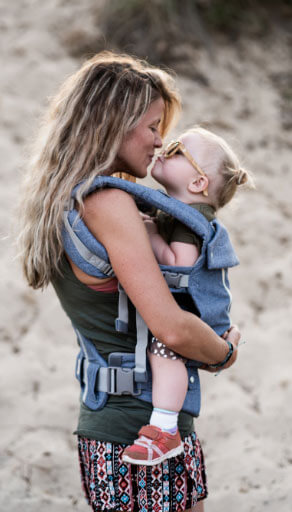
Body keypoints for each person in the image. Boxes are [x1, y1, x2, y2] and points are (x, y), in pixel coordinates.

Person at [17, 51, 241, 512]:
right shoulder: (111, 203)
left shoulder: (66, 198)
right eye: (153, 126)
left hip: (105, 425)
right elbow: (173, 329)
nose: (160, 142)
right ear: (114, 123)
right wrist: (224, 352)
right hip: (143, 432)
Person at [122, 127, 252, 466]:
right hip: (195, 307)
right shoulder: (178, 210)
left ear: (197, 184)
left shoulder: (189, 220)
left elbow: (181, 265)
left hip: (196, 312)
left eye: (178, 149)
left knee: (165, 350)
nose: (165, 148)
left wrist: (149, 233)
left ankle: (165, 428)